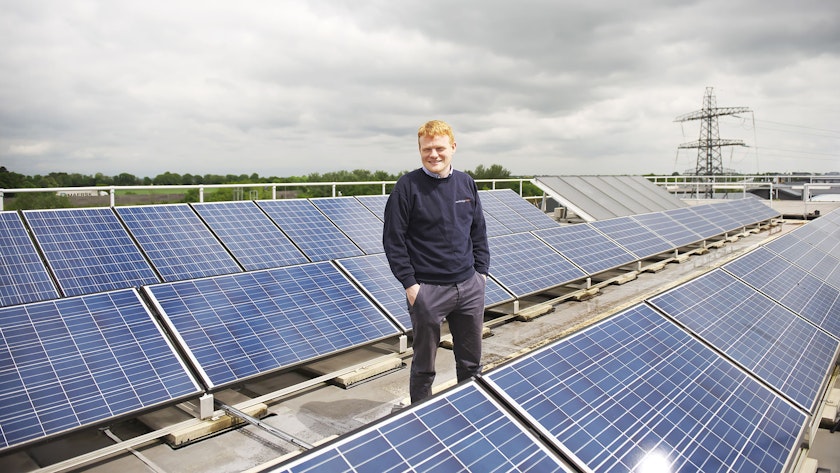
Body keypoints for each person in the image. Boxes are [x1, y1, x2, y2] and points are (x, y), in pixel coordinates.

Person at [383, 120, 489, 404]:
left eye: (440, 148)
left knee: (471, 362)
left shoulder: (466, 183)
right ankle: (421, 416)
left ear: (453, 148)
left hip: (469, 287)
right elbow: (393, 240)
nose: (434, 155)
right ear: (419, 150)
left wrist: (481, 274)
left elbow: (478, 230)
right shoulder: (407, 187)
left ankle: (472, 408)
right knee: (424, 366)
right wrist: (411, 285)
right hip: (428, 291)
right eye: (427, 149)